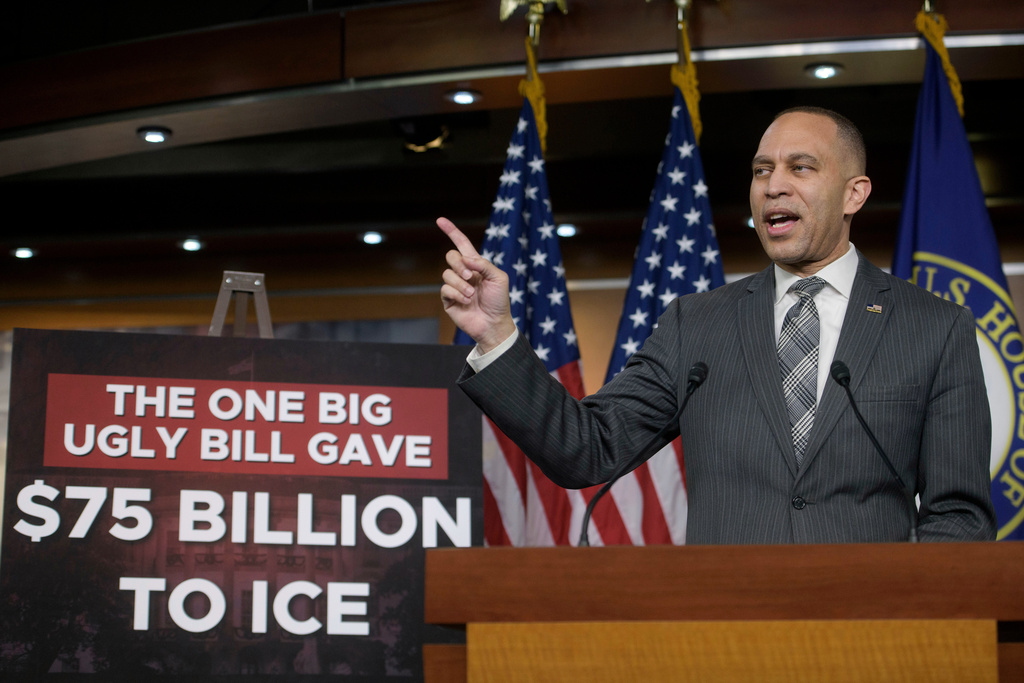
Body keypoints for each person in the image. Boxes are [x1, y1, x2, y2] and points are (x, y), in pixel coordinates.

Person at [439, 106, 996, 544]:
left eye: (800, 167)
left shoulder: (934, 327)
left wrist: (911, 620)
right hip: (726, 633)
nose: (773, 186)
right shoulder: (697, 325)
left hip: (874, 639)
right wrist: (495, 334)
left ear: (855, 193)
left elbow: (959, 515)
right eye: (761, 171)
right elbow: (587, 448)